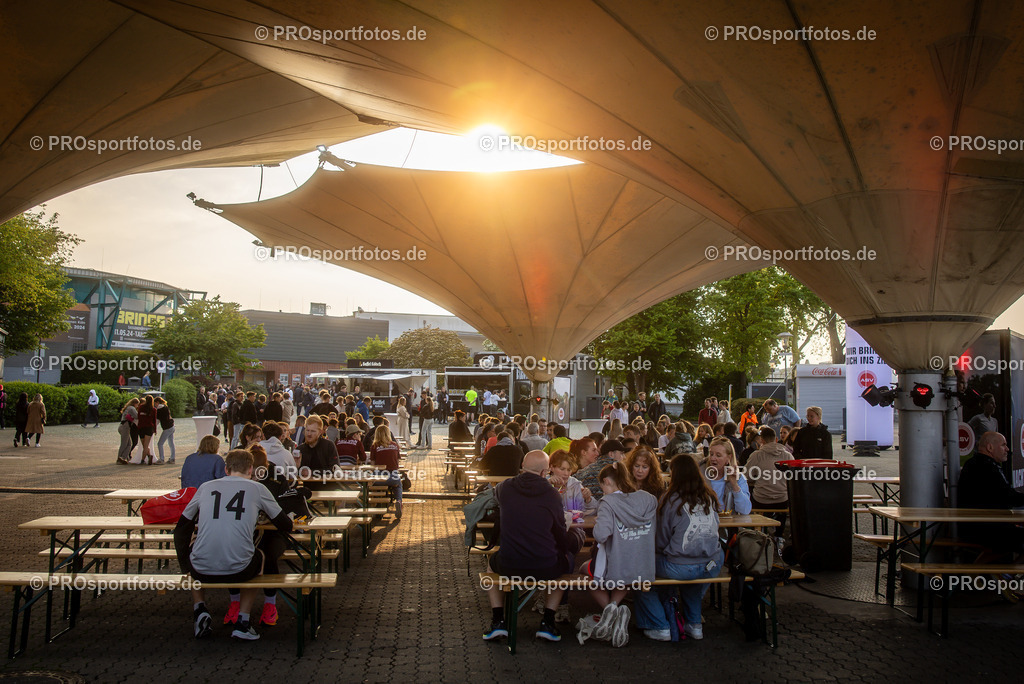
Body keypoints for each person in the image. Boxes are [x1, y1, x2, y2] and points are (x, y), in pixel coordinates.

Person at [173, 449, 293, 641]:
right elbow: (285, 525)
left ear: (226, 469)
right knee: (260, 556)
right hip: (239, 569)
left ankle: (199, 608)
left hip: (200, 570)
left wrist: (184, 566)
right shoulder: (257, 488)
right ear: (251, 469)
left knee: (195, 549)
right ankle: (243, 621)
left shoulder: (205, 487)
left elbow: (181, 528)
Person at [634, 454, 723, 642]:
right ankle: (694, 624)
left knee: (638, 573)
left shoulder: (670, 499)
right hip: (711, 564)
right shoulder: (709, 497)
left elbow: (661, 540)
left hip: (680, 566)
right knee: (692, 580)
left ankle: (659, 625)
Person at [482, 451, 568, 643]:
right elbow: (560, 531)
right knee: (564, 568)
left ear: (522, 466)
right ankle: (547, 622)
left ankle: (498, 621)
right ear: (545, 472)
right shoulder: (552, 495)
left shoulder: (504, 488)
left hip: (509, 564)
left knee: (490, 566)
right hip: (545, 566)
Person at [578, 461, 656, 648]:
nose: (602, 491)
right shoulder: (648, 498)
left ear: (606, 481)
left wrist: (599, 522)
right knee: (625, 575)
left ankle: (610, 611)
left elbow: (601, 535)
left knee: (584, 571)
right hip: (642, 564)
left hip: (616, 562)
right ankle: (614, 607)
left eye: (602, 487)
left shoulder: (608, 502)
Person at [958, 431, 1024, 556]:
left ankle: (978, 568)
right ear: (990, 447)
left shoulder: (976, 463)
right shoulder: (987, 466)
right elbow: (1009, 497)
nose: (1007, 449)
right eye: (1003, 445)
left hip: (977, 528)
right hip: (985, 530)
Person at [745, 426, 790, 533]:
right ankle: (779, 535)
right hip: (782, 500)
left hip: (761, 500)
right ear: (776, 439)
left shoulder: (756, 455)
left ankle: (760, 532)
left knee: (750, 492)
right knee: (784, 496)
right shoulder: (788, 455)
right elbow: (791, 478)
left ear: (762, 440)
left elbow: (746, 476)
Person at [703, 436, 751, 514]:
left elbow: (745, 510)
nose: (712, 458)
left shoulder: (739, 478)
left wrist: (735, 485)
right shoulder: (700, 475)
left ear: (729, 457)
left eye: (718, 455)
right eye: (711, 454)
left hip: (728, 521)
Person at [369, 424, 403, 519]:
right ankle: (399, 501)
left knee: (371, 483)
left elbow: (373, 465)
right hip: (393, 476)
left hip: (379, 477)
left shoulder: (375, 446)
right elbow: (397, 463)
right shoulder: (395, 445)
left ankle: (375, 504)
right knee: (398, 484)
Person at [298, 415, 339, 490]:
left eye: (313, 431)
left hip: (329, 489)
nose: (309, 434)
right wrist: (296, 466)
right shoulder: (300, 449)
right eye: (307, 430)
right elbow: (293, 473)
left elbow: (334, 468)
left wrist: (311, 472)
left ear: (320, 432)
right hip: (309, 490)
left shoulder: (328, 445)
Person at [116, 397, 139, 464]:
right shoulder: (132, 408)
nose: (137, 406)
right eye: (137, 404)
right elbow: (137, 416)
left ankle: (123, 457)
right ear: (135, 403)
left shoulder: (128, 408)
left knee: (129, 444)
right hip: (125, 427)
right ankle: (120, 458)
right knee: (124, 444)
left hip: (122, 426)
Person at [155, 396, 176, 464]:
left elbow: (157, 420)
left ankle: (161, 459)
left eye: (155, 403)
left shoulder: (159, 409)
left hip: (167, 427)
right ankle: (172, 458)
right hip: (171, 426)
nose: (155, 405)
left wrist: (154, 427)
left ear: (157, 402)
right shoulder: (165, 407)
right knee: (171, 443)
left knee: (160, 443)